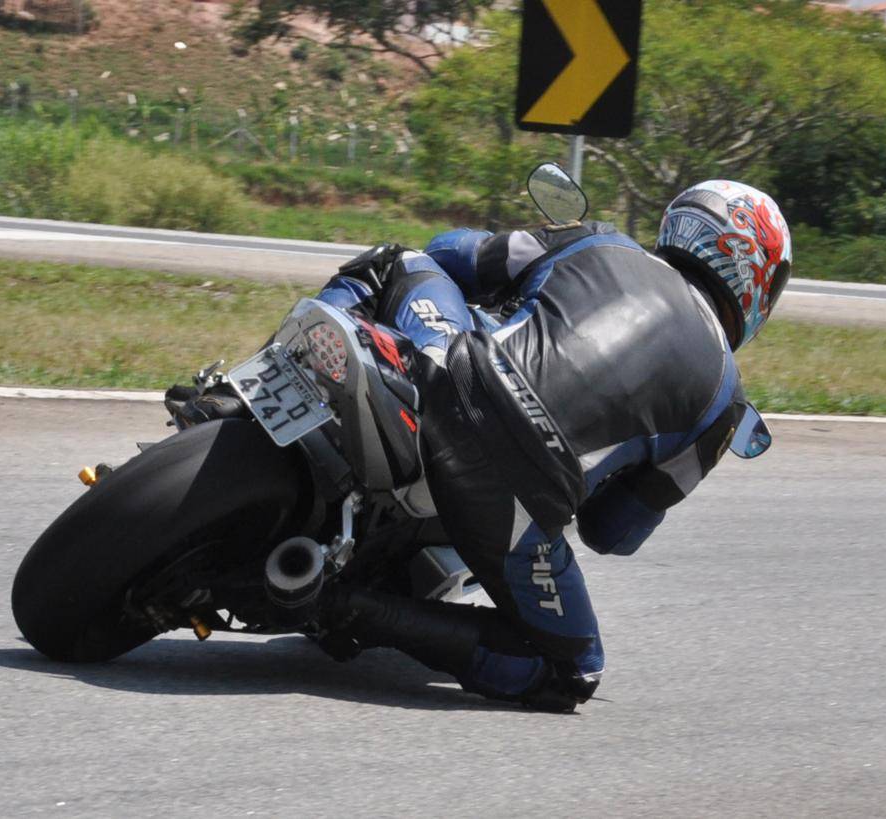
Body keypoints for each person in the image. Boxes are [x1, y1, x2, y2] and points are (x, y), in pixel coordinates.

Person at [311, 179, 793, 712]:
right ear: (759, 282)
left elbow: (452, 252)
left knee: (395, 263)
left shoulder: (595, 240)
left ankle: (287, 382)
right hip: (515, 499)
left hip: (452, 378)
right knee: (574, 672)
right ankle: (348, 606)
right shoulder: (724, 404)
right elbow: (611, 532)